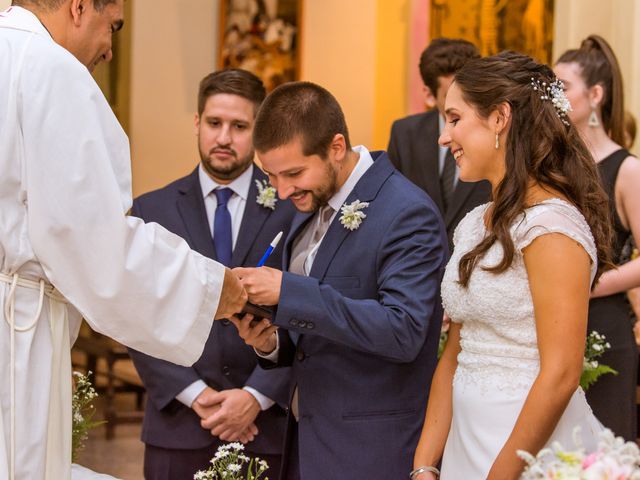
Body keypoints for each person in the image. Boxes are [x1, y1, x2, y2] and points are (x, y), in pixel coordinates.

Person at [0, 2, 245, 479]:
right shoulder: (52, 70)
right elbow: (95, 244)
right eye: (113, 26)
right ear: (78, 7)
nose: (110, 50)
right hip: (16, 330)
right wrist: (217, 289)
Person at [227, 82, 448, 479]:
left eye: (293, 173)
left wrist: (287, 291)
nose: (282, 191)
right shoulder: (307, 204)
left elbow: (403, 331)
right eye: (271, 176)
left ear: (336, 147)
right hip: (305, 443)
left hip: (368, 451)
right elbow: (317, 331)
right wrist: (272, 342)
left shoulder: (407, 213)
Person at [413, 51, 613, 479]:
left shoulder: (552, 227)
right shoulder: (473, 224)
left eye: (454, 118)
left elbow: (561, 374)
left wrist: (500, 476)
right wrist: (425, 463)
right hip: (467, 442)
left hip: (529, 448)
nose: (443, 138)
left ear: (500, 117)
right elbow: (456, 353)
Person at [127, 69, 295, 480]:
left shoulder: (293, 209)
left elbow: (306, 310)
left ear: (258, 131)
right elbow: (137, 315)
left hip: (266, 428)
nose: (224, 137)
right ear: (197, 123)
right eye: (215, 123)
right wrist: (195, 394)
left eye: (239, 126)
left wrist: (257, 396)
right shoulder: (153, 210)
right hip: (179, 425)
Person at [555, 34, 639, 441]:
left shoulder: (627, 170)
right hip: (553, 325)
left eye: (563, 87)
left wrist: (589, 286)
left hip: (605, 326)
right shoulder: (551, 167)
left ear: (596, 95)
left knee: (602, 451)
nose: (554, 96)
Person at [387, 38, 491, 247]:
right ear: (428, 95)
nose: (461, 103)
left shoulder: (493, 136)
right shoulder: (405, 133)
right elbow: (391, 205)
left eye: (469, 94)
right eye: (449, 95)